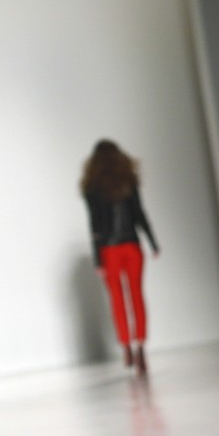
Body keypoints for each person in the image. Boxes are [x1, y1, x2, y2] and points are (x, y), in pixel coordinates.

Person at [80, 139, 160, 373]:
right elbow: (139, 214)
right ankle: (140, 347)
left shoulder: (92, 187)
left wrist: (97, 258)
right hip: (131, 246)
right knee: (136, 295)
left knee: (118, 299)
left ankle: (127, 346)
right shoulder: (128, 181)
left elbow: (94, 225)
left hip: (109, 249)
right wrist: (152, 242)